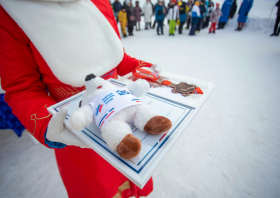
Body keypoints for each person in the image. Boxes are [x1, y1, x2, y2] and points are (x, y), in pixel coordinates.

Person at [0, 0, 160, 197]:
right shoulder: (10, 11)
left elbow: (117, 57)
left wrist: (141, 68)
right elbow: (22, 87)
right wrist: (48, 124)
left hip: (122, 107)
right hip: (78, 128)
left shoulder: (100, 1)